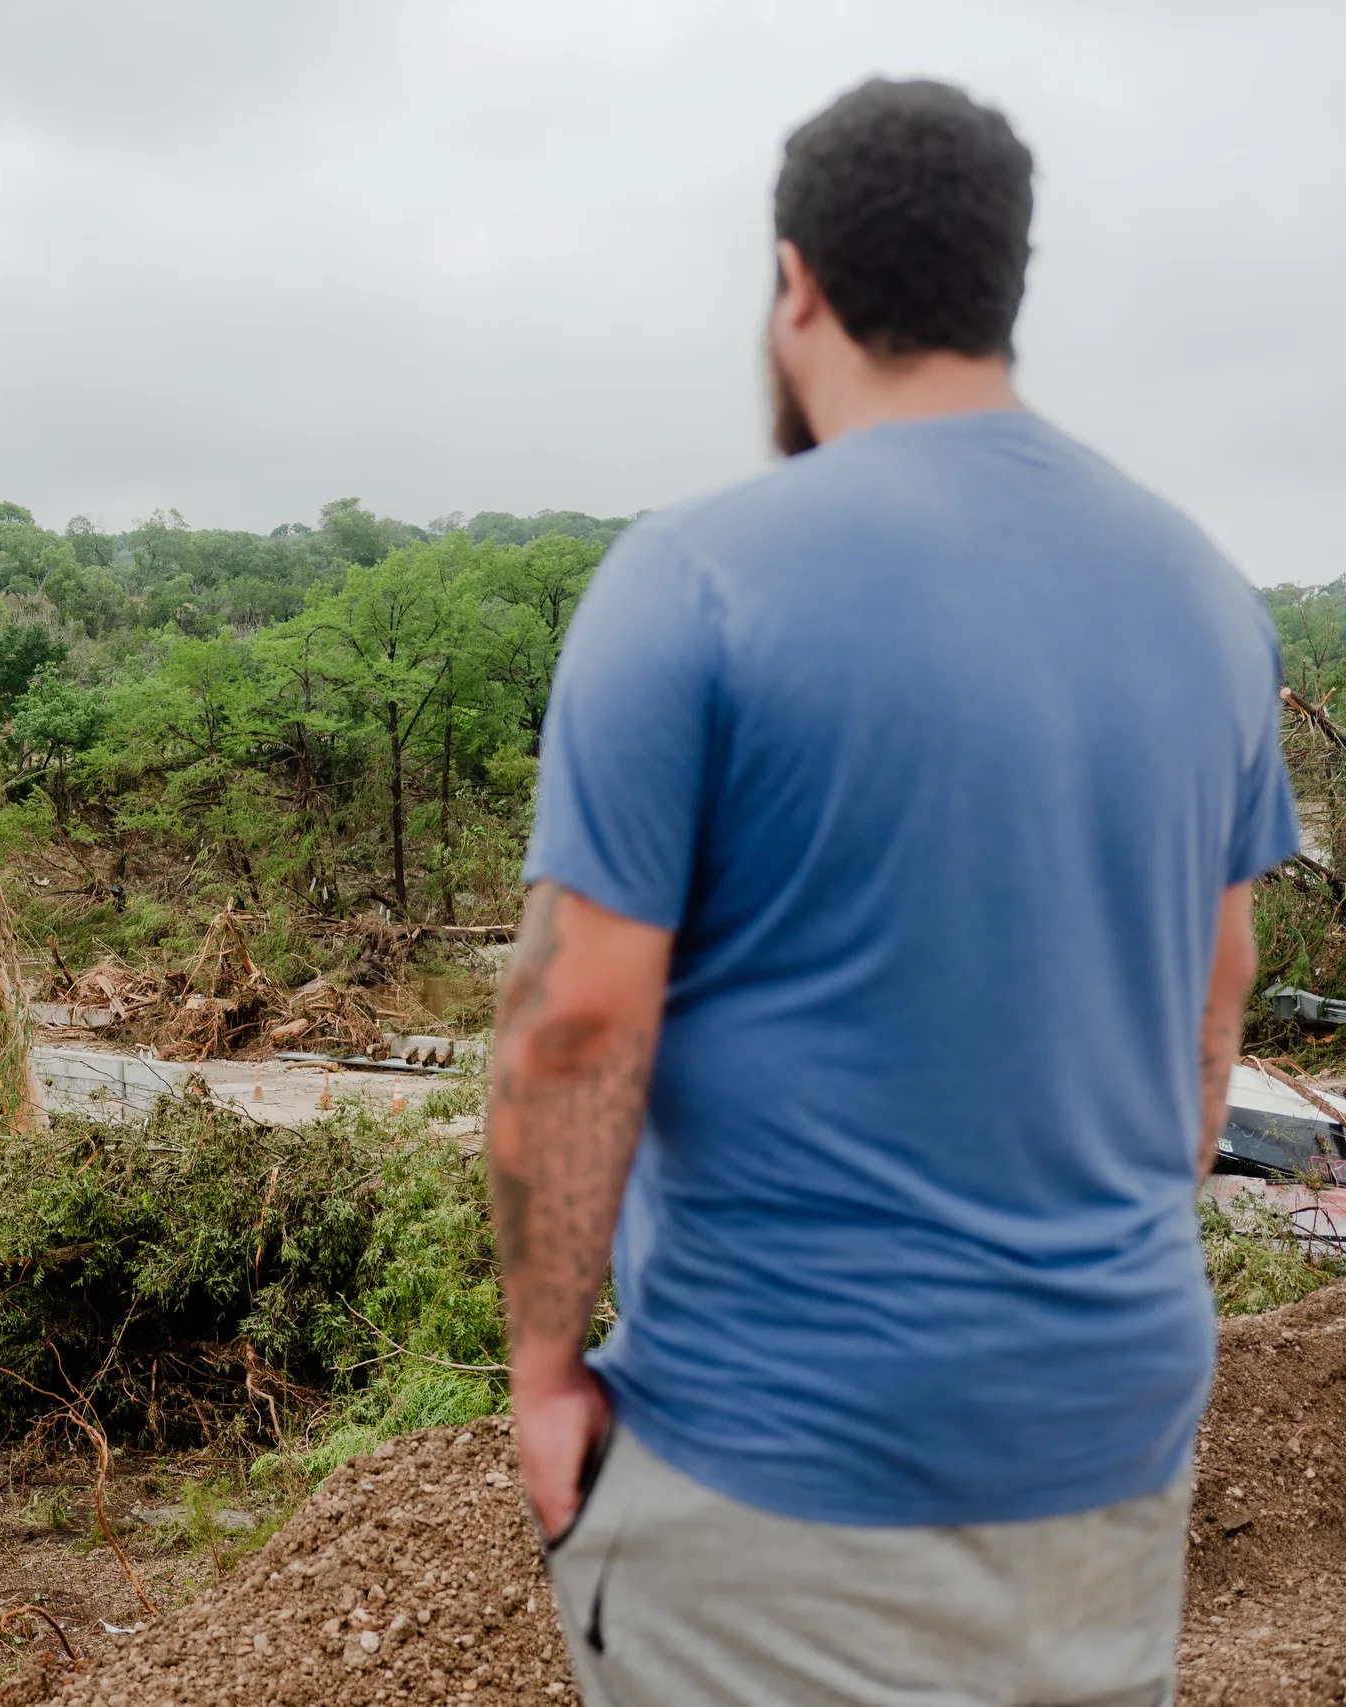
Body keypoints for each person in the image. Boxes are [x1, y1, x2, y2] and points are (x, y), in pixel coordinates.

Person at [489, 77, 1295, 1707]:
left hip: (784, 1470)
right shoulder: (1208, 595)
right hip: (1115, 1445)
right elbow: (1217, 1009)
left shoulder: (692, 579)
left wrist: (541, 1369)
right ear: (1005, 288)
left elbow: (577, 1023)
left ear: (798, 287)